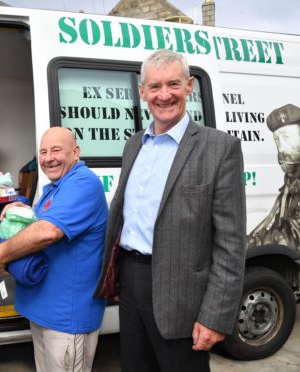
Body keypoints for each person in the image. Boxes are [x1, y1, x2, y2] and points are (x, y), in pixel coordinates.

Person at [96, 49, 246, 371]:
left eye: (173, 84)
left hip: (183, 298)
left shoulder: (220, 148)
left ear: (189, 86)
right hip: (131, 282)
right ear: (142, 92)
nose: (164, 95)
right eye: (155, 87)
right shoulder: (133, 145)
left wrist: (215, 316)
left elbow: (231, 245)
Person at [0, 127, 108, 372]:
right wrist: (19, 207)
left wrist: (0, 254)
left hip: (66, 317)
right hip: (42, 309)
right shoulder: (53, 187)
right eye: (43, 152)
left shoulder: (84, 182)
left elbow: (46, 232)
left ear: (76, 152)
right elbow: (37, 222)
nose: (48, 158)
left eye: (56, 150)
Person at [248, 104, 300, 250]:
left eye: (286, 138)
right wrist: (249, 241)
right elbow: (272, 220)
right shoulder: (291, 181)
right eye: (277, 140)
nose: (281, 148)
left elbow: (292, 236)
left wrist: (257, 246)